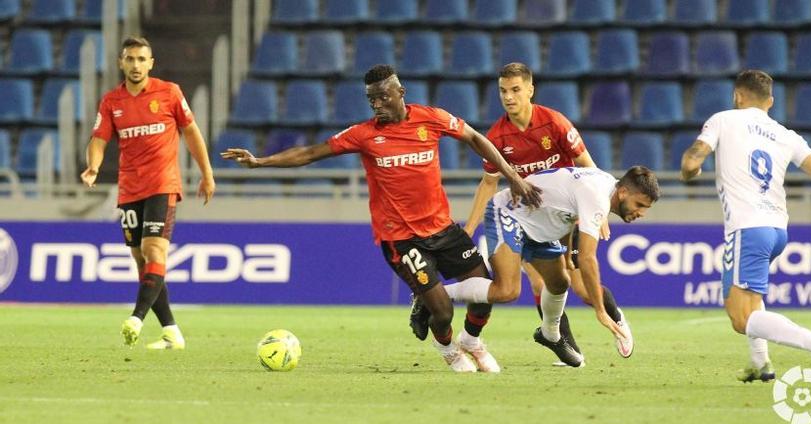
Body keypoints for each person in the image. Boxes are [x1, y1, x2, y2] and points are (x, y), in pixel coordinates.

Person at [221, 64, 541, 373]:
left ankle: (471, 341)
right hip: (401, 239)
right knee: (442, 311)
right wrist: (260, 162)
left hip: (442, 229)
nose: (377, 105)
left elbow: (474, 138)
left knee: (485, 290)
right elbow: (310, 153)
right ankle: (447, 348)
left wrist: (511, 176)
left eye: (383, 96)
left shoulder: (431, 119)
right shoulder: (364, 135)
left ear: (400, 92)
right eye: (371, 99)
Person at [449, 62, 633, 361]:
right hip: (528, 220)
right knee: (541, 281)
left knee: (582, 288)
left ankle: (619, 322)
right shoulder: (497, 137)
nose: (509, 97)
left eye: (515, 90)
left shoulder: (554, 123)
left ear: (530, 90)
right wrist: (469, 229)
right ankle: (560, 341)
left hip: (566, 217)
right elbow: (488, 184)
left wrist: (598, 211)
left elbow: (588, 165)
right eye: (503, 91)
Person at [680, 69, 811, 387]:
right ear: (770, 102)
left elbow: (693, 159)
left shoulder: (724, 119)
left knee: (740, 318)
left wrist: (691, 169)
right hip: (777, 230)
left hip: (747, 228)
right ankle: (761, 363)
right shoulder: (786, 134)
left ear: (737, 96)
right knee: (752, 299)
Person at [443, 166, 659, 367]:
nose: (641, 213)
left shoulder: (604, 183)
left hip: (540, 226)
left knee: (560, 282)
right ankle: (435, 295)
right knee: (507, 291)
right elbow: (587, 258)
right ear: (622, 192)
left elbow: (564, 209)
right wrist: (600, 311)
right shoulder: (598, 197)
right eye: (639, 205)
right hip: (509, 213)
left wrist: (565, 255)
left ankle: (550, 334)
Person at [81, 37, 216, 350]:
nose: (136, 65)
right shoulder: (111, 101)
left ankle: (136, 318)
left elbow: (191, 131)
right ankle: (171, 331)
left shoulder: (169, 92)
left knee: (155, 250)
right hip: (129, 189)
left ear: (151, 63)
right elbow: (99, 139)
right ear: (121, 63)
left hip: (163, 184)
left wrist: (207, 174)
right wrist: (93, 167)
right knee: (142, 261)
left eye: (142, 59)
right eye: (130, 59)